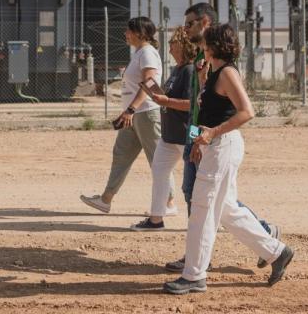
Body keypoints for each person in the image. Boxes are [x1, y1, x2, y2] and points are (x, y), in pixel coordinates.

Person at [164, 23, 294, 295]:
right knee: (225, 210)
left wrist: (212, 134)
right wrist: (202, 136)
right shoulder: (213, 72)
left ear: (214, 46)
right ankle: (276, 251)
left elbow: (247, 112)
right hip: (214, 146)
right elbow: (210, 109)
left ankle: (194, 276)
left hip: (224, 145)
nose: (201, 46)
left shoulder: (227, 73)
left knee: (202, 208)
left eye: (205, 43)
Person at [80, 16, 176, 215]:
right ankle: (106, 200)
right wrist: (129, 111)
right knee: (121, 155)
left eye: (128, 31)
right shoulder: (139, 53)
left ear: (139, 33)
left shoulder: (148, 53)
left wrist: (131, 109)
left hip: (146, 113)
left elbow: (149, 83)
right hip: (133, 115)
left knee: (158, 159)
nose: (125, 34)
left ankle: (169, 203)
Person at [133, 26, 195, 231]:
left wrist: (166, 100)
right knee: (159, 172)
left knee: (197, 182)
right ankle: (156, 219)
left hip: (186, 135)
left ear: (183, 45)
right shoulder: (177, 69)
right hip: (169, 136)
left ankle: (212, 221)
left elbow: (191, 104)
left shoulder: (190, 70)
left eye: (172, 44)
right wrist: (160, 97)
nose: (169, 50)